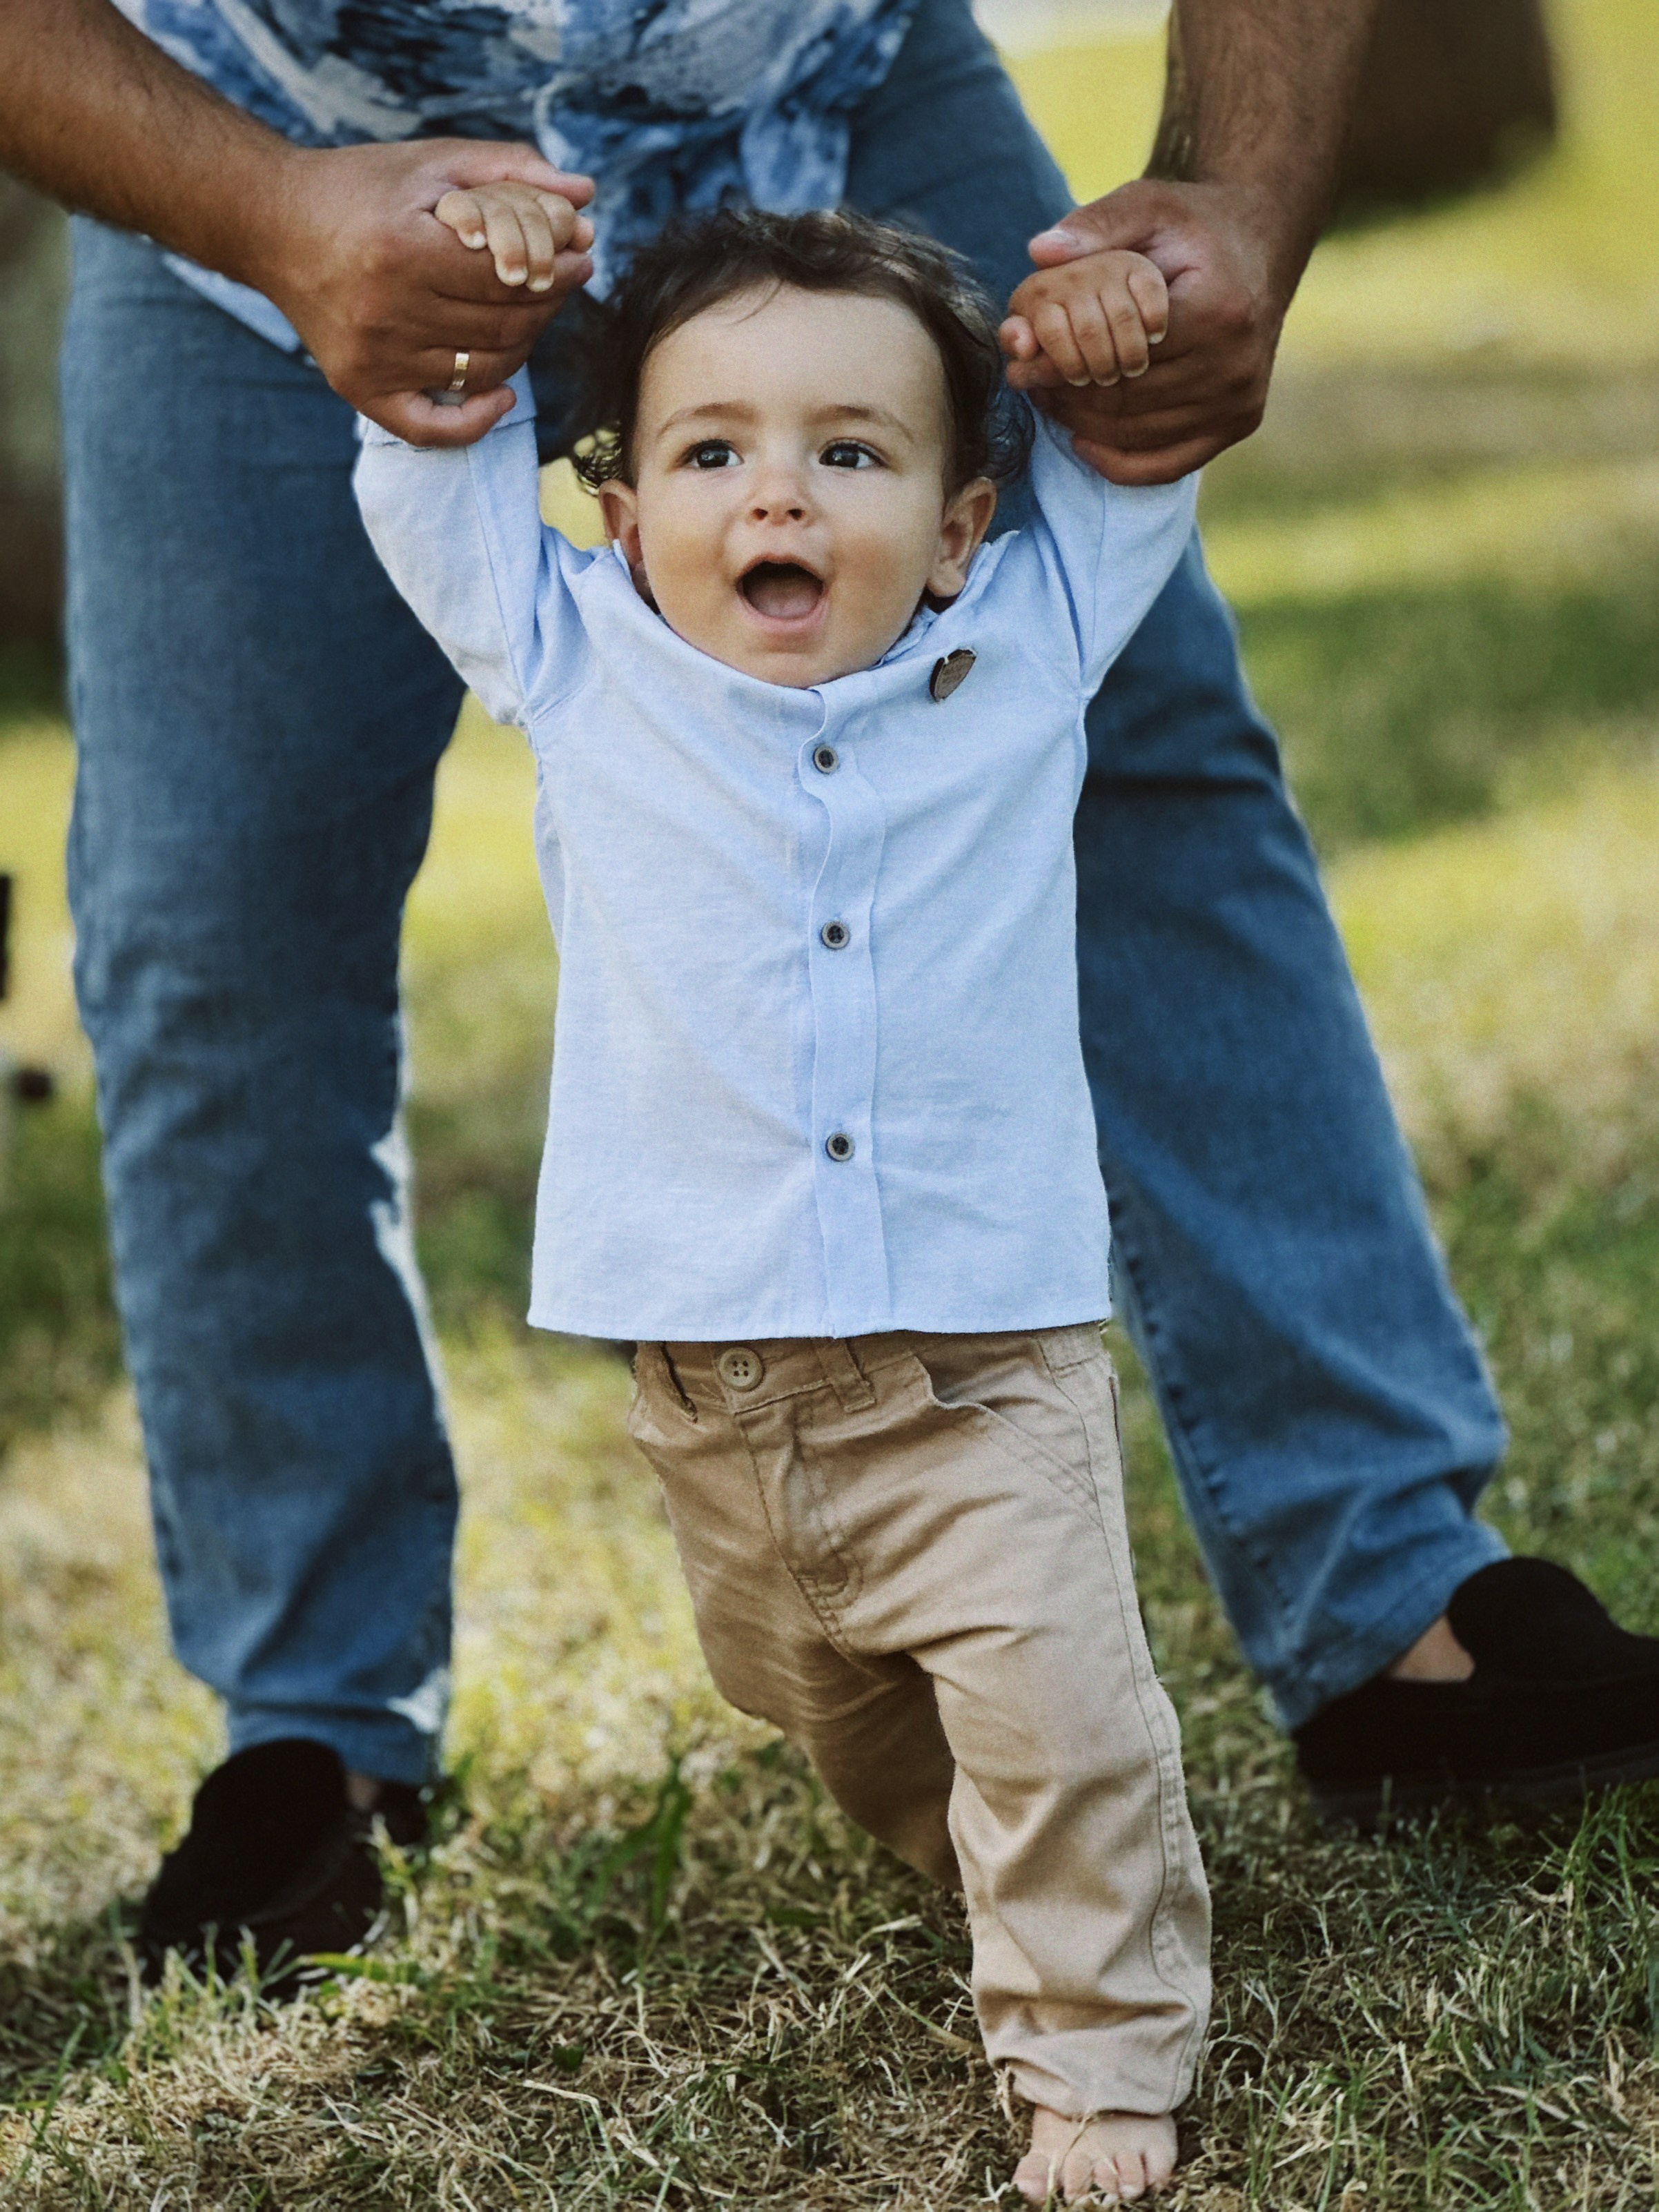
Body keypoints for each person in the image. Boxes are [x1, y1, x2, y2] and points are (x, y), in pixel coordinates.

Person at [1, 0, 1654, 1975]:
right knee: (213, 921)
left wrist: (1240, 196)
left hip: (827, 86)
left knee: (1137, 749)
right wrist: (265, 212)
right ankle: (316, 1727)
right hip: (259, 127)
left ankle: (1395, 1603)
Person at [356, 197, 1211, 2207]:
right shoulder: (578, 666)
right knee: (822, 1710)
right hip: (711, 1385)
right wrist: (472, 282)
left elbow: (1148, 439)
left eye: (852, 451)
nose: (781, 494)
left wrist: (1110, 318)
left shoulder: (1034, 640)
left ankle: (1095, 2048)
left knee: (1055, 1711)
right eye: (712, 449)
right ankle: (986, 1846)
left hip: (976, 1364)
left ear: (961, 517)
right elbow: (422, 461)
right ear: (621, 498)